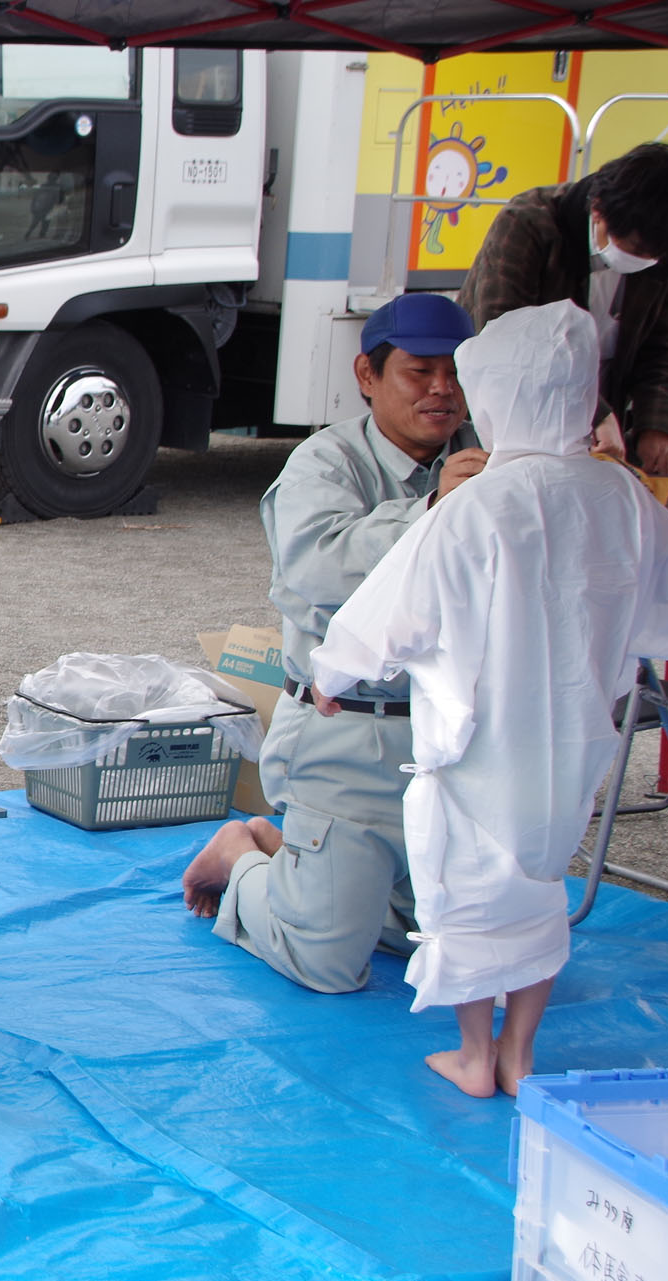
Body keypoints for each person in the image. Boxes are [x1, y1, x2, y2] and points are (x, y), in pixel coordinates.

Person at [310, 301, 668, 1097]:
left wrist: (332, 674)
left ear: (493, 392)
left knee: (469, 889)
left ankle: (476, 1055)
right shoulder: (619, 496)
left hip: (477, 744)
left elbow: (393, 607)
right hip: (575, 738)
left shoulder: (479, 504)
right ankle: (520, 1049)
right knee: (541, 882)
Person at [181, 294, 486, 992]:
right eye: (419, 371)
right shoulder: (327, 462)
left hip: (458, 743)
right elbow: (320, 569)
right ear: (368, 376)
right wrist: (435, 510)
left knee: (469, 946)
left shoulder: (484, 458)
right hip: (351, 734)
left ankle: (308, 859)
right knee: (326, 961)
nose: (442, 389)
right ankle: (249, 862)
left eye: (454, 372)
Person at [459, 142, 668, 479]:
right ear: (598, 209)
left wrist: (657, 427)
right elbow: (504, 336)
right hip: (513, 413)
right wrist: (595, 414)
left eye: (654, 255)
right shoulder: (530, 224)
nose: (643, 260)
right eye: (633, 248)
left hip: (600, 413)